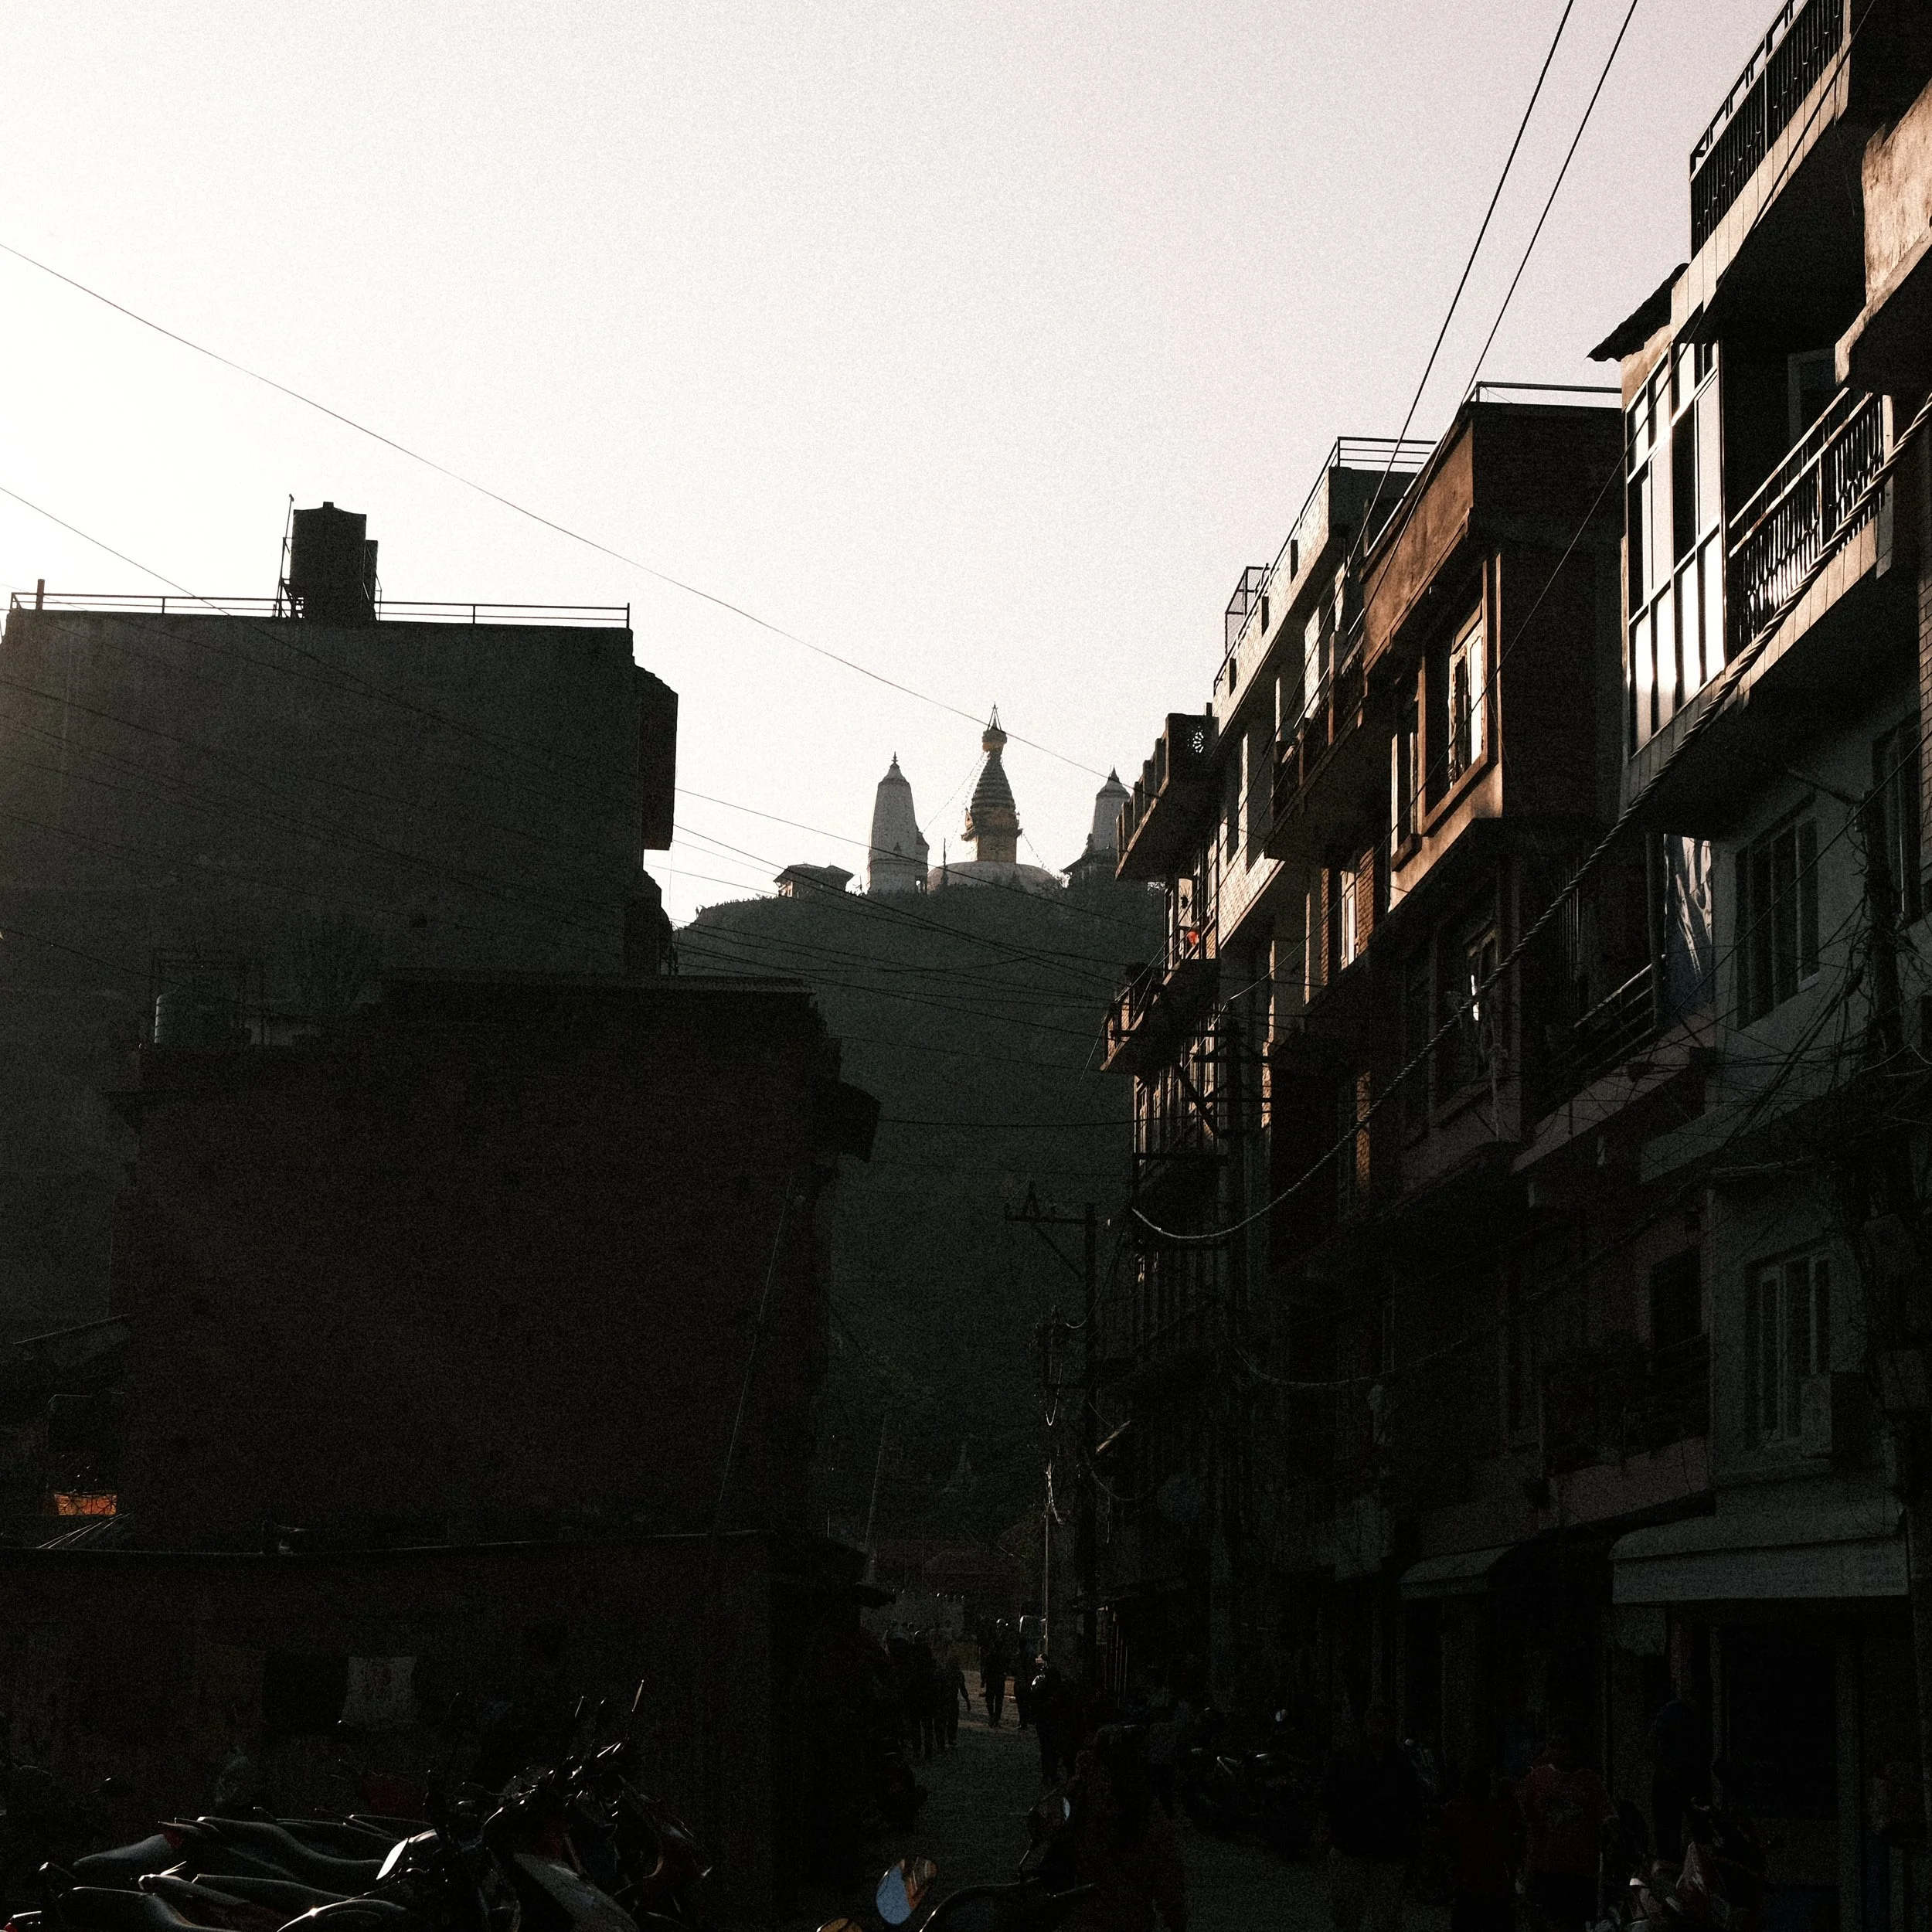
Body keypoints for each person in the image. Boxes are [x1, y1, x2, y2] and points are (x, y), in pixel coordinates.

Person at [1066, 1723, 1188, 1932]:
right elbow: (1168, 1875)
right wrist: (1175, 1916)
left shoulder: (1080, 1798)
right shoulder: (1147, 1811)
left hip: (1085, 1917)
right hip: (1130, 1918)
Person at [1318, 1701, 1424, 1932]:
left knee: (1386, 1919)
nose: (1379, 1729)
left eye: (1383, 1724)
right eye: (1374, 1722)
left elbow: (1412, 1801)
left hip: (1388, 1849)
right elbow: (1329, 1796)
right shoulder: (1347, 1757)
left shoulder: (1400, 1762)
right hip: (1352, 1846)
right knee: (1346, 1916)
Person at [1517, 1722, 1614, 1932]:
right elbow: (1520, 1814)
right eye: (1556, 1746)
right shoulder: (1537, 1778)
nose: (1561, 1752)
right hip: (1544, 1865)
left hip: (1579, 1869)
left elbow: (1606, 1816)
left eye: (1566, 1747)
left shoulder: (1589, 1781)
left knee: (1574, 1923)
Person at [1437, 1765, 1522, 1932]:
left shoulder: (1453, 1811)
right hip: (1490, 1887)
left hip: (1470, 1886)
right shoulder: (1498, 1814)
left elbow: (1446, 1846)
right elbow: (1509, 1852)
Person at [1648, 1693, 1708, 1864]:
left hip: (1677, 1779)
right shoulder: (1678, 1712)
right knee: (1676, 1834)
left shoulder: (1674, 1712)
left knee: (1671, 1836)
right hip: (1680, 1779)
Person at [981, 1625, 1010, 1728]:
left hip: (991, 1680)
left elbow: (986, 1669)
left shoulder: (990, 1656)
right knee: (998, 1701)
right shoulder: (1003, 1657)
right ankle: (996, 1719)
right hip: (999, 1680)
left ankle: (992, 1717)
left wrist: (983, 1680)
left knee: (990, 1700)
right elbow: (1007, 1668)